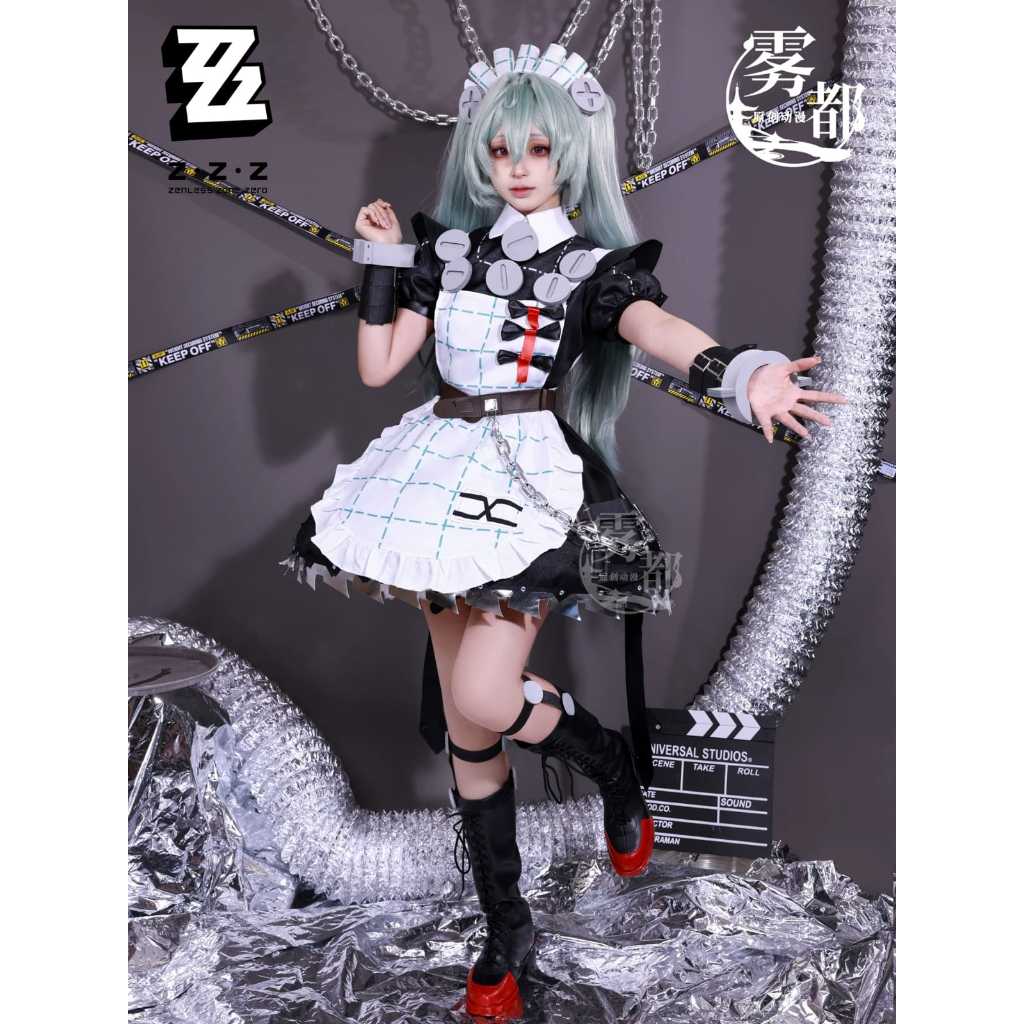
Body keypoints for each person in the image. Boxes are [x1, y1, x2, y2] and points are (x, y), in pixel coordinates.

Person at [282, 48, 845, 1020]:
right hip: (431, 472)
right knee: (469, 727)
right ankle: (506, 928)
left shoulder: (590, 268)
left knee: (480, 694)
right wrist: (381, 260)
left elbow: (655, 331)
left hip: (526, 479)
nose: (517, 166)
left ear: (570, 154)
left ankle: (612, 765)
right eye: (501, 148)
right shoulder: (447, 254)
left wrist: (740, 371)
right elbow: (379, 366)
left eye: (538, 148)